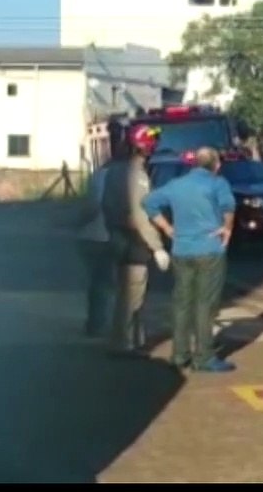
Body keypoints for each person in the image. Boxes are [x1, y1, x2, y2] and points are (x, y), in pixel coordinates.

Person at [142, 146, 237, 373]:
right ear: (216, 164)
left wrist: (166, 228)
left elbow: (148, 203)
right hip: (209, 249)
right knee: (205, 303)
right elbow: (228, 207)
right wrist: (227, 229)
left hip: (181, 249)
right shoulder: (218, 183)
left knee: (182, 302)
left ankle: (179, 354)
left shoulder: (176, 185)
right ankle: (204, 356)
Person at [101, 124, 170, 356]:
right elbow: (141, 216)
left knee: (125, 293)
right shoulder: (137, 174)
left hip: (117, 237)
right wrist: (158, 247)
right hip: (134, 242)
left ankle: (134, 339)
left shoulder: (114, 170)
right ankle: (123, 343)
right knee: (132, 296)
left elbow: (107, 206)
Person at [76, 158, 117, 338]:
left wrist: (78, 224)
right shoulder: (117, 176)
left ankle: (95, 322)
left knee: (96, 283)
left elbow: (90, 206)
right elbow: (95, 207)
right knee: (105, 282)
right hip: (105, 235)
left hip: (89, 236)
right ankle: (101, 323)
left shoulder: (98, 176)